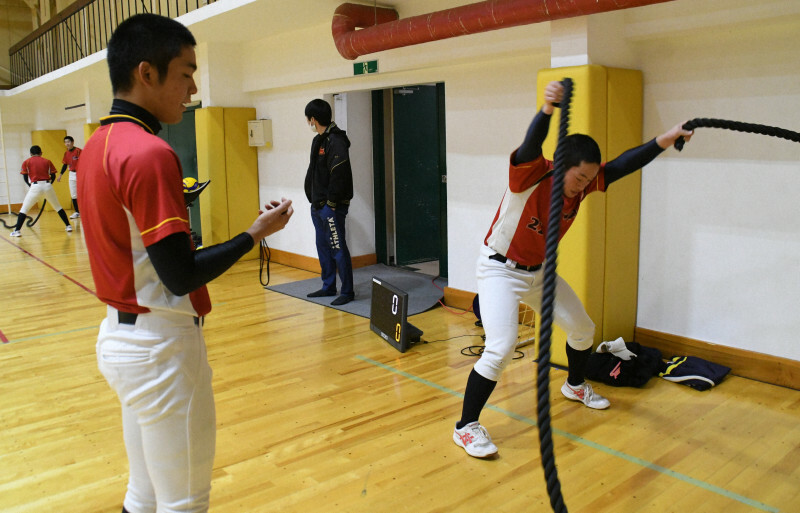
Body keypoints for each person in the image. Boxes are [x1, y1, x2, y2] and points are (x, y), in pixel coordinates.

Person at [77, 14, 294, 513]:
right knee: (184, 503)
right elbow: (181, 276)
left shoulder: (94, 147)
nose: (193, 87)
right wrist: (253, 234)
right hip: (161, 348)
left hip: (119, 340)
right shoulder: (150, 154)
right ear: (146, 73)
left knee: (144, 493)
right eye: (186, 72)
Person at [452, 80, 694, 458]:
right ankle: (466, 427)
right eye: (580, 177)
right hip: (500, 269)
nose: (584, 185)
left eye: (588, 179)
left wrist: (665, 139)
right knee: (501, 347)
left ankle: (575, 384)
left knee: (583, 329)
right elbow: (532, 144)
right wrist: (547, 109)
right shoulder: (531, 174)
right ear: (562, 165)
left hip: (538, 272)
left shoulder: (582, 185)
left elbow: (623, 165)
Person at [303, 98, 355, 306]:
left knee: (337, 247)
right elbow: (315, 172)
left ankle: (348, 291)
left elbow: (339, 174)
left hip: (331, 207)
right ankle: (328, 286)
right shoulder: (318, 140)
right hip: (318, 205)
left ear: (313, 119)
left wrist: (331, 204)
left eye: (308, 119)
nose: (308, 122)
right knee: (322, 246)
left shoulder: (337, 141)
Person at [9, 145, 73, 236]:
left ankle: (17, 231)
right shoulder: (47, 161)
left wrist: (30, 186)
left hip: (35, 186)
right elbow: (53, 176)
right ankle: (68, 226)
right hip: (47, 185)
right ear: (41, 153)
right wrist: (49, 185)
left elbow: (25, 177)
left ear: (30, 154)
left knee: (24, 209)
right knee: (58, 207)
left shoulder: (26, 162)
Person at [56, 135, 81, 218]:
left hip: (80, 173)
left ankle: (84, 210)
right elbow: (64, 165)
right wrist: (60, 175)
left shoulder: (78, 151)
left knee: (81, 193)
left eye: (69, 142)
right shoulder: (66, 153)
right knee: (73, 194)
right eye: (66, 142)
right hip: (71, 174)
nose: (67, 144)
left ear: (72, 142)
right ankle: (77, 212)